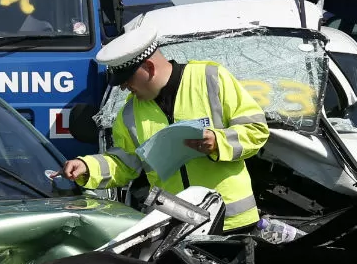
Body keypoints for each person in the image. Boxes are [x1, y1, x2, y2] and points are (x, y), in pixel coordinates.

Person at [58, 23, 270, 232]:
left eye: (127, 79)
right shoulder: (129, 113)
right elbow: (124, 162)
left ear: (149, 67)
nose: (124, 87)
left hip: (234, 223)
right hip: (176, 229)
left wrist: (218, 142)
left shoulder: (210, 78)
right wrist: (87, 167)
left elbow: (256, 130)